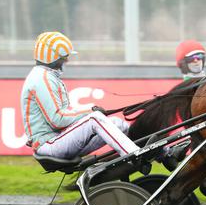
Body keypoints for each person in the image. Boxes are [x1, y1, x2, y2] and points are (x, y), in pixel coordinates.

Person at [21, 32, 142, 162]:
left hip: (58, 139)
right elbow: (57, 120)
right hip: (50, 145)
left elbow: (63, 116)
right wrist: (90, 112)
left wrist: (90, 111)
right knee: (95, 119)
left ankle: (159, 151)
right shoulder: (42, 79)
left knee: (117, 124)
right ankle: (135, 155)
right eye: (64, 57)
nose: (66, 60)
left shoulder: (46, 76)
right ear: (52, 57)